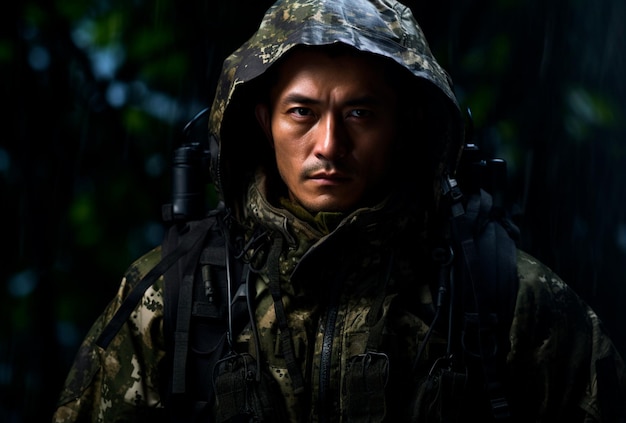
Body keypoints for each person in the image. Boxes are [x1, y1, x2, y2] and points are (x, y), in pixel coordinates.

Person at [53, 0, 626, 422]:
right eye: (302, 112)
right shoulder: (174, 295)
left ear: (403, 125)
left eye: (360, 114)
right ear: (262, 120)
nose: (328, 144)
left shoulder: (506, 297)